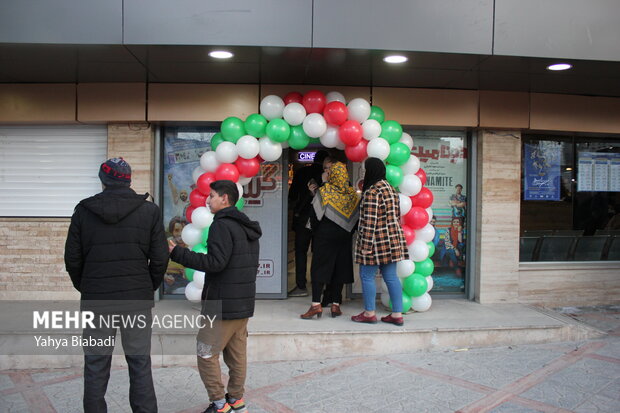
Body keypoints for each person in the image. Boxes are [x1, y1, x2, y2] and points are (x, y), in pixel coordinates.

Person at [64, 157, 169, 412]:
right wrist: (147, 287)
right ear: (129, 180)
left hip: (96, 301)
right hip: (136, 302)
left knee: (96, 364)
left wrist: (87, 288)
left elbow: (72, 259)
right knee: (139, 363)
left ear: (103, 181)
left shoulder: (83, 211)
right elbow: (160, 257)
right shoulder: (149, 212)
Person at [170, 180, 262, 413]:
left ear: (225, 199)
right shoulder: (247, 227)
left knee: (206, 353)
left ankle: (220, 405)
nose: (207, 200)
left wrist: (178, 253)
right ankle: (237, 401)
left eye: (211, 196)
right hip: (242, 303)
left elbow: (215, 263)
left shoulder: (222, 225)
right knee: (237, 356)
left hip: (221, 304)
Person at [352, 158, 409, 326]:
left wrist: (365, 247)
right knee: (391, 277)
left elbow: (370, 221)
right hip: (393, 240)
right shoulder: (391, 188)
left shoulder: (372, 191)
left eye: (365, 169)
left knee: (366, 275)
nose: (363, 172)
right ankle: (397, 314)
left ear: (371, 170)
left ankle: (369, 313)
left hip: (377, 242)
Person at [300, 161, 359, 319]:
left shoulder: (324, 191)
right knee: (339, 269)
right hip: (344, 238)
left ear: (332, 175)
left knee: (319, 268)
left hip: (324, 237)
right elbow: (356, 220)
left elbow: (314, 216)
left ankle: (315, 305)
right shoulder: (352, 194)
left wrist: (315, 231)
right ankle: (335, 305)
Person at [287, 150, 329, 297]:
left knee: (301, 251)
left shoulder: (301, 172)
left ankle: (301, 285)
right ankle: (319, 284)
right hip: (321, 218)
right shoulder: (328, 175)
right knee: (319, 252)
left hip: (303, 217)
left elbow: (291, 195)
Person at [164, 216, 189, 294]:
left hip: (184, 278)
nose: (180, 234)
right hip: (167, 277)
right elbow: (157, 263)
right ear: (172, 231)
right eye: (177, 230)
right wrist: (165, 276)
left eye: (183, 230)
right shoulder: (166, 243)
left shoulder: (190, 244)